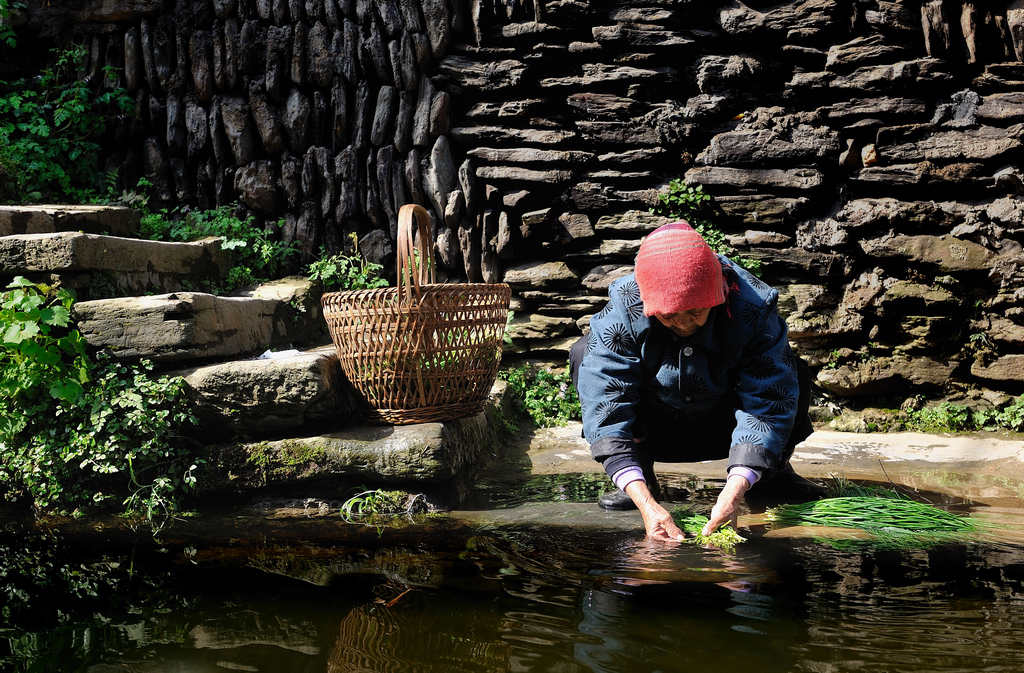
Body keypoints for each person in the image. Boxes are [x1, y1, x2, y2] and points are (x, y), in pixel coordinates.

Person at [571, 221, 821, 542]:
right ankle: (641, 479)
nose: (684, 324)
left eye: (695, 312)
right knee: (584, 353)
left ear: (716, 297)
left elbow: (767, 400)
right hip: (653, 428)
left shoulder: (752, 307)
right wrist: (645, 502)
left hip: (723, 425)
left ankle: (767, 476)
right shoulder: (626, 306)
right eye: (668, 315)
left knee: (791, 369)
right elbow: (607, 401)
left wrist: (734, 491)